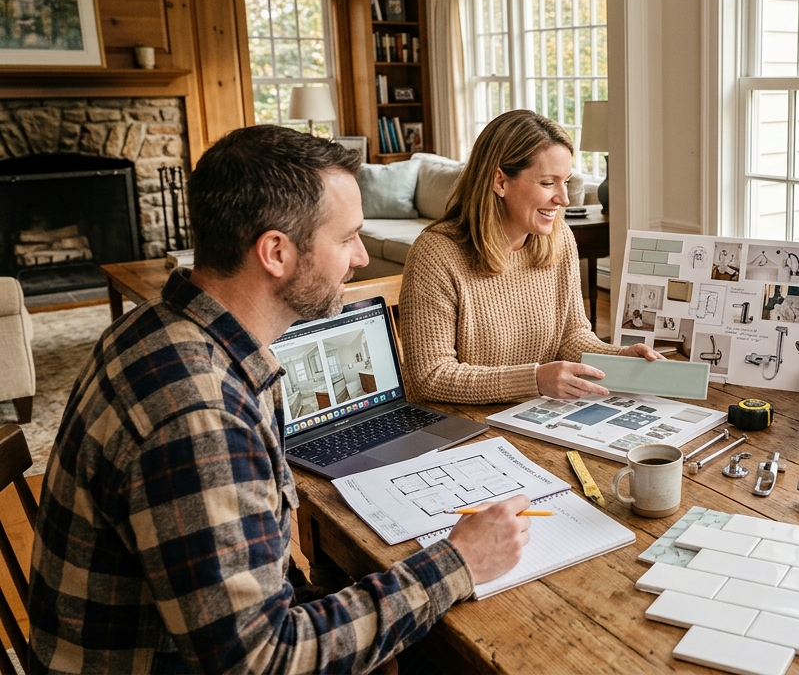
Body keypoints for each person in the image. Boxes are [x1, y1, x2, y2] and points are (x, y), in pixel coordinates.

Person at [28, 125, 531, 675]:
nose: (360, 257)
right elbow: (263, 660)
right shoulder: (200, 417)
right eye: (346, 239)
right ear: (276, 252)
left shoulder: (157, 325)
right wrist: (457, 563)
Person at [401, 109, 659, 404]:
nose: (563, 198)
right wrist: (535, 381)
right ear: (500, 181)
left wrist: (620, 357)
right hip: (460, 424)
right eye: (548, 183)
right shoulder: (435, 255)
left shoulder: (558, 238)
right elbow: (430, 377)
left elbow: (571, 337)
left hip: (534, 414)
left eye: (566, 181)